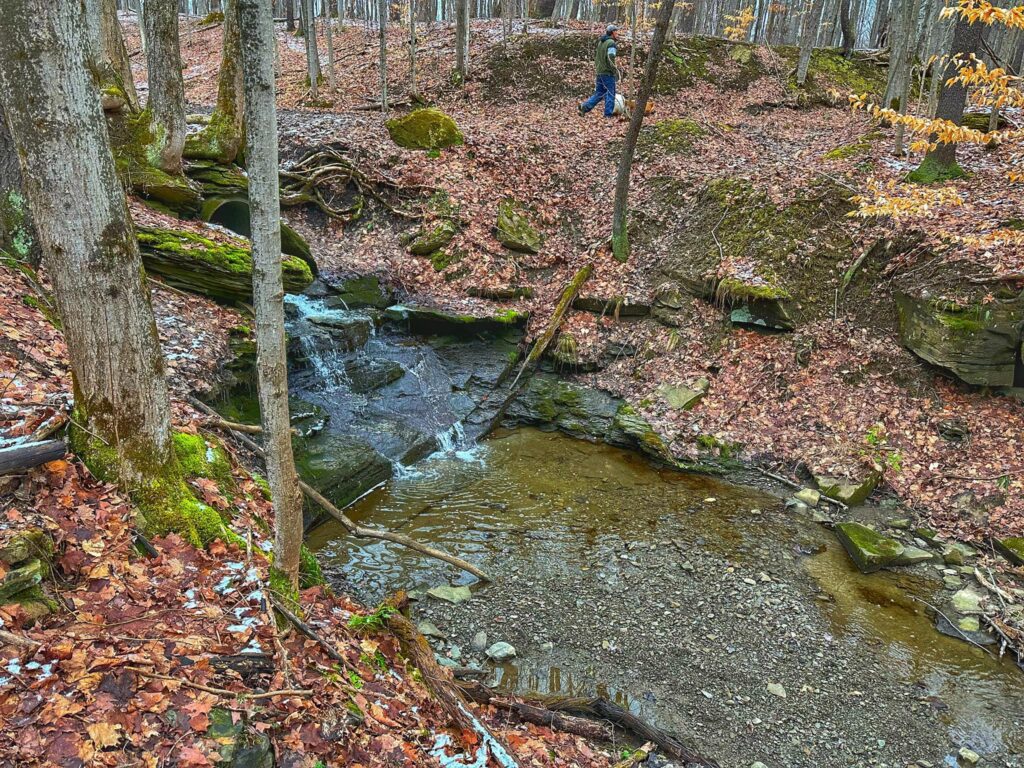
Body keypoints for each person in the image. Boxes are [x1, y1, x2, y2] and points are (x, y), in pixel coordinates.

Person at [579, 25, 621, 118]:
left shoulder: (601, 43)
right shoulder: (611, 44)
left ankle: (584, 107)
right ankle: (608, 115)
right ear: (613, 32)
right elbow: (611, 58)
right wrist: (614, 71)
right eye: (616, 32)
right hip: (608, 73)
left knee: (599, 93)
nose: (617, 34)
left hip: (599, 72)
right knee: (610, 93)